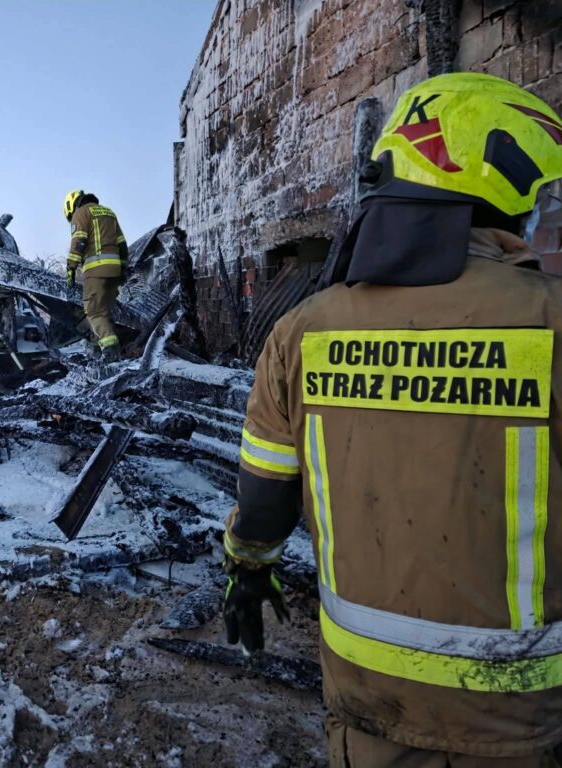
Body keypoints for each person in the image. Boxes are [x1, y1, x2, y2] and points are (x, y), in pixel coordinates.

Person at [221, 72, 562, 766]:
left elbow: (263, 496)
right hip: (520, 721)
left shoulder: (300, 331)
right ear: (503, 188)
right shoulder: (548, 319)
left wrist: (247, 573)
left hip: (365, 705)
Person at [62, 190, 128, 362]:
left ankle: (110, 353)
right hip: (115, 271)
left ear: (71, 207)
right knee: (105, 313)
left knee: (94, 313)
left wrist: (71, 267)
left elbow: (79, 242)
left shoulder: (81, 213)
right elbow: (122, 244)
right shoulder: (108, 212)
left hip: (95, 269)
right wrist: (123, 268)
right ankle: (98, 351)